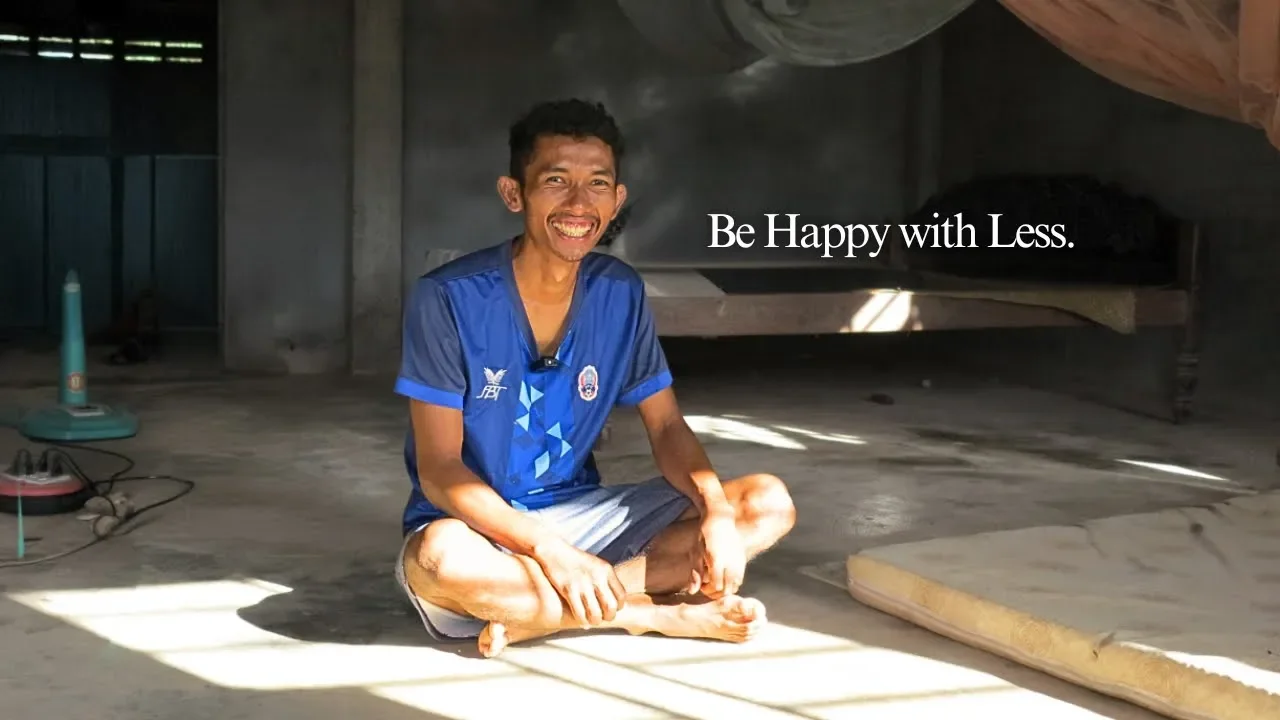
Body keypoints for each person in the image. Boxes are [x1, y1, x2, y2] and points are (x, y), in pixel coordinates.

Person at [393, 98, 796, 657]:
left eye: (598, 184)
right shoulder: (448, 298)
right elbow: (440, 471)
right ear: (515, 193)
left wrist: (717, 514)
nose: (579, 204)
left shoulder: (619, 292)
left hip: (583, 514)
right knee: (438, 560)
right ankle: (645, 613)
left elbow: (667, 427)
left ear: (617, 199)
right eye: (556, 181)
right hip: (478, 528)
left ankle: (539, 614)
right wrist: (551, 552)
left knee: (766, 503)